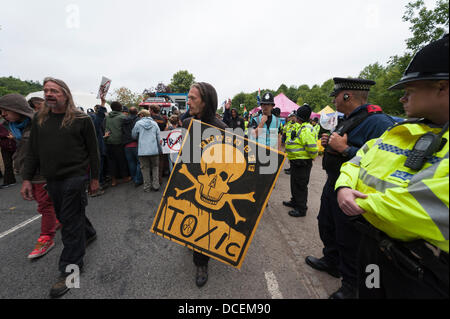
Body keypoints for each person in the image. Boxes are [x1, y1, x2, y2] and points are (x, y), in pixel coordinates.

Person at [336, 35, 449, 299]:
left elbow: (425, 207)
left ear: (442, 87)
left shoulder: (382, 123)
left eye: (409, 91)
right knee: (369, 292)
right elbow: (358, 160)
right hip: (375, 248)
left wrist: (361, 204)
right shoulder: (400, 131)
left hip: (420, 269)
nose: (402, 99)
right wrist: (343, 186)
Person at [305, 77, 396, 299]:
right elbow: (343, 144)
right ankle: (332, 261)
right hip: (334, 182)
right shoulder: (348, 119)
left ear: (348, 95)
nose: (334, 100)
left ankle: (352, 287)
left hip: (353, 189)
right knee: (326, 225)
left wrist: (345, 149)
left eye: (336, 96)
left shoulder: (378, 123)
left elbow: (382, 163)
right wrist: (330, 142)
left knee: (349, 239)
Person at [21, 77, 100, 298]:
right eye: (46, 90)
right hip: (52, 179)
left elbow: (94, 152)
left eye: (54, 91)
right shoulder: (39, 119)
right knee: (69, 217)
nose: (49, 94)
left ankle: (70, 270)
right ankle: (89, 233)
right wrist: (27, 179)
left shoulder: (82, 119)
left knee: (68, 223)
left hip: (75, 177)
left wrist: (95, 178)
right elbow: (33, 153)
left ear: (65, 94)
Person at [0, 93, 61, 258]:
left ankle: (46, 238)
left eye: (6, 110)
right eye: (1, 110)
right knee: (50, 203)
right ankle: (59, 219)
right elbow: (23, 151)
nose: (3, 114)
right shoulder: (13, 127)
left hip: (42, 173)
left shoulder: (39, 124)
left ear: (17, 108)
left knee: (44, 205)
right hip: (28, 172)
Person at [183, 82, 228, 288]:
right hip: (188, 180)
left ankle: (201, 263)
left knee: (204, 222)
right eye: (188, 97)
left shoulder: (222, 130)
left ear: (205, 101)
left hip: (209, 185)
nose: (188, 101)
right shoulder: (186, 123)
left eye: (193, 98)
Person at [282, 104, 318, 217]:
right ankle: (294, 201)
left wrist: (313, 156)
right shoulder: (300, 127)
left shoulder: (307, 129)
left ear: (300, 118)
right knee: (294, 183)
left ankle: (301, 209)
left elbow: (311, 147)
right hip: (296, 161)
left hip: (303, 162)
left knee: (301, 185)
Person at [132, 110, 162, 192]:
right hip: (154, 150)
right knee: (155, 167)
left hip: (142, 150)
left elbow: (133, 136)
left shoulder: (138, 124)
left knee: (145, 168)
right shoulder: (155, 124)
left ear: (142, 115)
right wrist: (160, 150)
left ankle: (147, 187)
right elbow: (159, 138)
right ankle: (156, 185)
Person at [105, 101, 131, 187]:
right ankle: (125, 177)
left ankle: (113, 180)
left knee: (111, 161)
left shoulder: (107, 117)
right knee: (121, 160)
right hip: (119, 141)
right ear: (120, 108)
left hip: (108, 141)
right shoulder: (123, 117)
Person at [122, 106, 143, 187]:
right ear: (136, 112)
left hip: (126, 144)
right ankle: (138, 179)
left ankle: (134, 178)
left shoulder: (123, 120)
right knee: (139, 162)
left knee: (131, 162)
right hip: (136, 143)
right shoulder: (138, 120)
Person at [150, 104, 168, 185]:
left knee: (151, 163)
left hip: (151, 142)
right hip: (160, 142)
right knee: (160, 163)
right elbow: (165, 131)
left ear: (152, 111)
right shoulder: (163, 120)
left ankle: (153, 179)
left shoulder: (150, 119)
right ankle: (159, 179)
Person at [0, 118, 17, 188]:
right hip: (5, 147)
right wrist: (5, 135)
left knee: (22, 162)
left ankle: (29, 178)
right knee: (7, 164)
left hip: (15, 145)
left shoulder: (15, 123)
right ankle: (9, 181)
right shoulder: (1, 124)